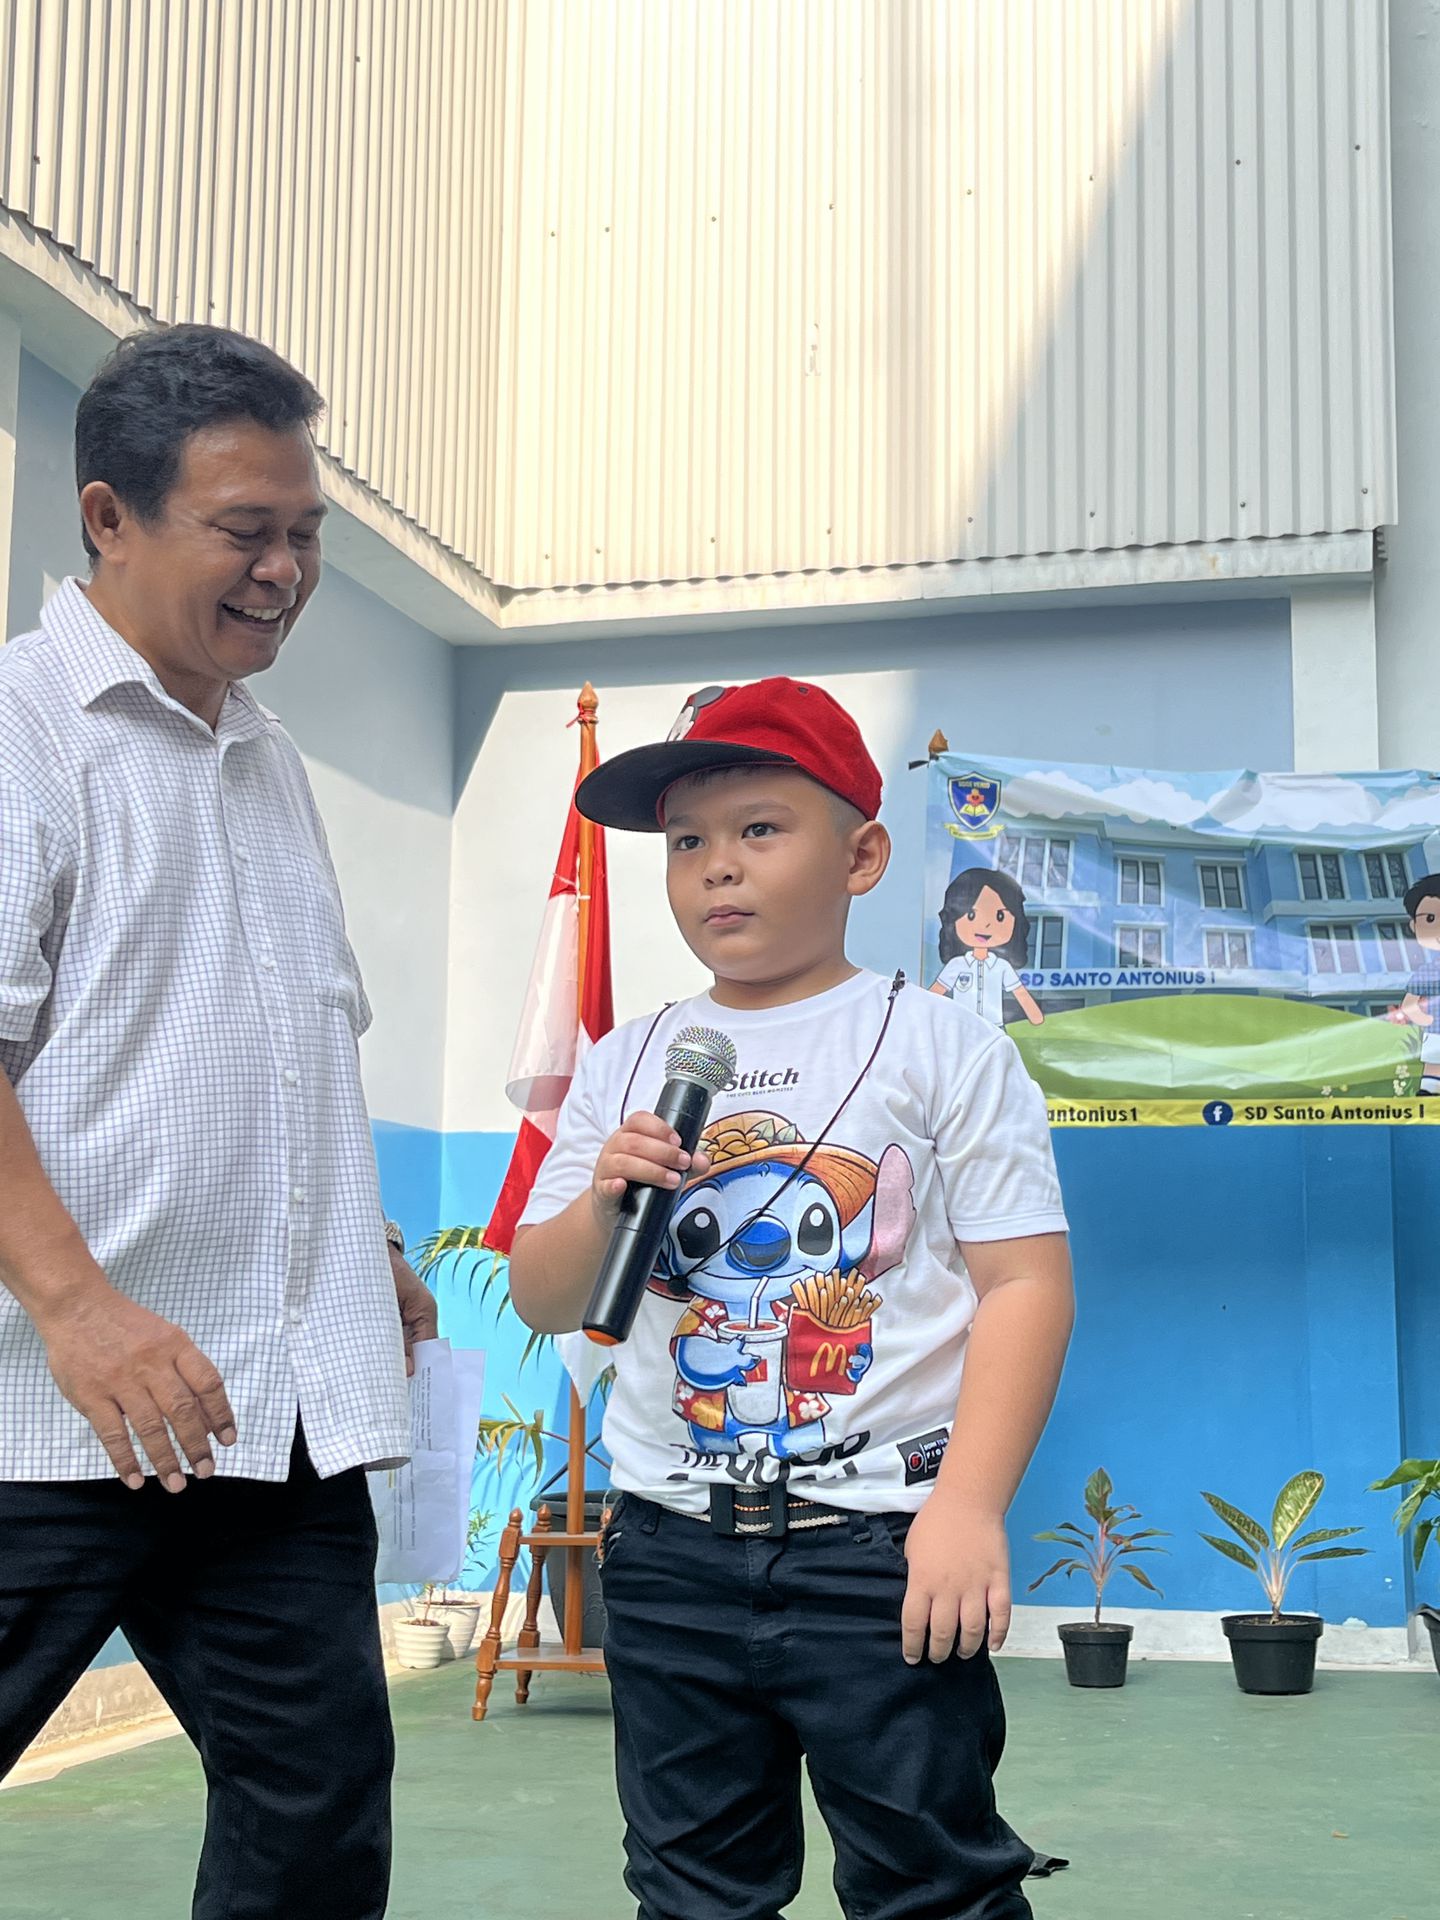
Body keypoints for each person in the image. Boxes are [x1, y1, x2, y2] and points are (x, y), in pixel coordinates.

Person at [509, 676, 1074, 1920]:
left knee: (932, 1882)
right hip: (668, 1550)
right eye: (687, 843)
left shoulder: (944, 1046)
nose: (718, 867)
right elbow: (544, 1298)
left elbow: (1026, 1284)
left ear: (861, 856)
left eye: (759, 829)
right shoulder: (628, 1060)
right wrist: (604, 1203)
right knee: (693, 1890)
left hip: (880, 1549)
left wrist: (967, 1508)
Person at [0, 325, 436, 1920]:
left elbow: (270, 1045)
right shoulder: (22, 732)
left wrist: (358, 1243)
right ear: (107, 518)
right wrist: (77, 1309)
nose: (285, 573)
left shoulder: (265, 759)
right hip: (46, 1410)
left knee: (315, 1810)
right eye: (246, 531)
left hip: (264, 1415)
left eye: (305, 534)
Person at [932, 865, 1045, 1027]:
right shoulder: (956, 965)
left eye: (1000, 916)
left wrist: (1035, 1015)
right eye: (971, 915)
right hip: (963, 1027)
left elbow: (1020, 992)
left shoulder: (1002, 966)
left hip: (994, 1028)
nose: (986, 925)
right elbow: (936, 992)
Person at [1388, 871, 1440, 1093]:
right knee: (1434, 1065)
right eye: (1430, 919)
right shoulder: (1427, 972)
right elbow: (1410, 1003)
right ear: (1414, 926)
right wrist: (1423, 1018)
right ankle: (1428, 1090)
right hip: (1437, 1032)